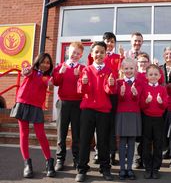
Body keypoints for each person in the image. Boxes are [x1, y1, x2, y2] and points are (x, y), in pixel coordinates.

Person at [75, 41, 116, 182]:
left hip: (103, 110)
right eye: (96, 52)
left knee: (103, 141)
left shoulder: (109, 71)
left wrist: (111, 85)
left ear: (105, 55)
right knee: (85, 140)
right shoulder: (86, 70)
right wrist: (84, 83)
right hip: (88, 110)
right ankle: (82, 169)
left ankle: (105, 168)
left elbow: (110, 91)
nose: (99, 54)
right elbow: (81, 90)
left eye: (102, 52)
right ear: (92, 54)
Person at [10, 53, 55, 178]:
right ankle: (27, 164)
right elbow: (26, 72)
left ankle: (49, 162)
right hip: (23, 103)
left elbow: (49, 83)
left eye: (48, 63)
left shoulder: (46, 77)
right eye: (43, 62)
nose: (45, 64)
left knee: (41, 134)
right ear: (38, 62)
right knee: (24, 134)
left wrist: (51, 81)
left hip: (36, 106)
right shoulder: (32, 71)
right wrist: (26, 71)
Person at [52, 42, 85, 171]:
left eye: (78, 53)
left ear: (81, 55)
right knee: (62, 133)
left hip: (78, 104)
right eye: (73, 52)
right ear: (67, 52)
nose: (75, 55)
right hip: (63, 103)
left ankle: (77, 159)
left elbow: (84, 88)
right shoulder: (60, 66)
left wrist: (79, 77)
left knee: (77, 133)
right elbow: (55, 83)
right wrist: (60, 73)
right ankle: (60, 159)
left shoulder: (83, 69)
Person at [93, 32, 124, 166]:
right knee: (98, 126)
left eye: (112, 42)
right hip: (99, 94)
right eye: (107, 41)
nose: (110, 44)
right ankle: (98, 152)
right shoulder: (98, 56)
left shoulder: (118, 57)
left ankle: (111, 153)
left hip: (113, 94)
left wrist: (123, 58)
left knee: (111, 124)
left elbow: (122, 73)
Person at [116, 58, 143, 180]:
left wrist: (135, 93)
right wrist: (121, 94)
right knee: (122, 143)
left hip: (134, 115)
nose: (128, 70)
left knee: (132, 143)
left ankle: (130, 168)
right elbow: (118, 101)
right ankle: (122, 168)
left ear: (135, 69)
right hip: (122, 114)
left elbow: (139, 102)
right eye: (126, 68)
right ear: (122, 69)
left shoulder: (139, 83)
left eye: (131, 68)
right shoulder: (118, 82)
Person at [140, 64, 168, 179]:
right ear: (146, 76)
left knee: (158, 144)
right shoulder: (144, 88)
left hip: (158, 120)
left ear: (160, 76)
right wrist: (146, 101)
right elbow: (141, 105)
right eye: (150, 74)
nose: (153, 76)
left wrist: (161, 102)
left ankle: (155, 168)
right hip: (147, 119)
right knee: (146, 144)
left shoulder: (162, 89)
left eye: (155, 74)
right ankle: (147, 168)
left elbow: (165, 105)